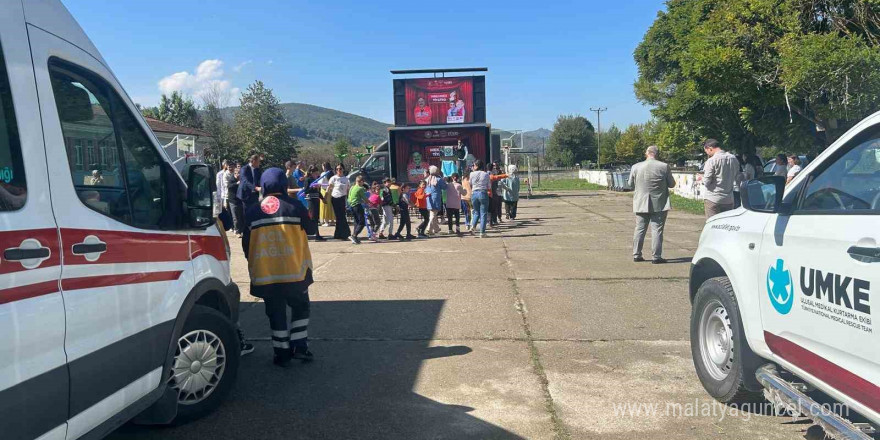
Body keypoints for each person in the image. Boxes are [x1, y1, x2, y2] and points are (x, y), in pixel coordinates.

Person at [242, 167, 316, 367]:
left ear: (264, 185)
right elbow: (311, 230)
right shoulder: (295, 206)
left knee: (275, 313)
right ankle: (300, 346)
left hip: (266, 273)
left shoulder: (252, 211)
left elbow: (246, 244)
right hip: (295, 271)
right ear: (284, 184)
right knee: (300, 307)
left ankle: (281, 353)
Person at [628, 146, 676, 264]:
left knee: (639, 229)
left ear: (647, 153)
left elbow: (630, 184)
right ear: (656, 154)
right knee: (657, 230)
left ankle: (637, 254)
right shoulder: (664, 166)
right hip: (659, 203)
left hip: (640, 203)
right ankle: (656, 257)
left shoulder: (636, 167)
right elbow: (672, 184)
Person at [701, 139, 740, 218]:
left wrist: (701, 178)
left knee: (712, 224)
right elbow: (737, 176)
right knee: (726, 225)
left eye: (707, 151)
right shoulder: (733, 159)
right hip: (729, 198)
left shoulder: (711, 161)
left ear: (710, 148)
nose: (708, 154)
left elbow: (706, 182)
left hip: (713, 198)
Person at [327, 164, 351, 240]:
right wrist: (325, 197)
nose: (338, 170)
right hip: (335, 198)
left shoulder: (346, 179)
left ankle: (340, 234)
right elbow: (329, 188)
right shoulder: (333, 178)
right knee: (339, 216)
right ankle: (344, 233)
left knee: (342, 216)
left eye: (340, 169)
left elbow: (348, 190)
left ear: (343, 169)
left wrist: (349, 199)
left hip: (342, 198)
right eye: (337, 169)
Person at [302, 165, 326, 241]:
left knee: (316, 217)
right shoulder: (308, 180)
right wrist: (313, 187)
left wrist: (322, 198)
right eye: (315, 173)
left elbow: (318, 192)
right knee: (313, 217)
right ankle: (314, 234)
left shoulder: (315, 180)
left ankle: (317, 234)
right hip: (311, 200)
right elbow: (306, 190)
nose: (317, 174)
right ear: (311, 172)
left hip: (316, 199)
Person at [468, 160, 491, 237]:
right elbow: (489, 186)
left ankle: (473, 226)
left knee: (476, 212)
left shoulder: (471, 174)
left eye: (474, 165)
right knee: (483, 213)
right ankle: (482, 232)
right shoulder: (486, 174)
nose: (473, 167)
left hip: (474, 193)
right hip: (483, 193)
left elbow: (470, 184)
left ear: (477, 166)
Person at [425, 165, 447, 235]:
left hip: (428, 198)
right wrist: (444, 181)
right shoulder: (438, 179)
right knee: (433, 214)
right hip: (436, 198)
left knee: (432, 214)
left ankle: (436, 229)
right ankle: (428, 228)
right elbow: (445, 187)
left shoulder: (427, 179)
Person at [347, 175, 370, 244]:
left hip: (351, 206)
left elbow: (349, 197)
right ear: (361, 182)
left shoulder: (352, 187)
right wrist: (370, 203)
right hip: (357, 206)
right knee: (362, 222)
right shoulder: (361, 188)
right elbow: (365, 198)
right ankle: (354, 235)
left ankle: (355, 237)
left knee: (356, 222)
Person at [225, 162, 244, 237]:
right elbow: (229, 186)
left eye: (240, 173)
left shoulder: (242, 179)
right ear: (235, 173)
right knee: (235, 217)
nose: (238, 175)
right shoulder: (231, 179)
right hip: (233, 201)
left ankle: (242, 230)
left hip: (240, 200)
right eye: (237, 173)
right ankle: (237, 230)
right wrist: (237, 183)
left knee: (241, 216)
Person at [319, 162, 335, 227]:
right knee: (331, 205)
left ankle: (326, 221)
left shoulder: (323, 173)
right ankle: (332, 220)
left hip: (324, 190)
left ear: (324, 166)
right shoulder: (332, 173)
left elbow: (320, 182)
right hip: (331, 191)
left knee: (325, 206)